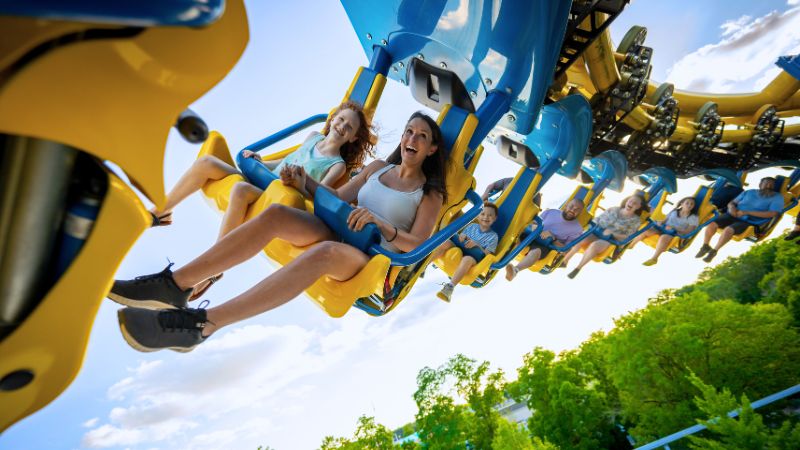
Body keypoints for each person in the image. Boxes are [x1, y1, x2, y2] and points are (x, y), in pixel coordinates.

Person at [107, 112, 447, 352]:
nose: (411, 139)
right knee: (276, 214)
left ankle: (203, 324)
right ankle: (175, 285)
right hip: (338, 230)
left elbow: (417, 244)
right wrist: (306, 182)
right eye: (408, 131)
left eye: (421, 135)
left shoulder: (429, 193)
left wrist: (382, 225)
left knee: (324, 254)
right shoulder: (377, 168)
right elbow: (340, 198)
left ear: (431, 149)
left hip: (368, 258)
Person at [148, 100, 376, 298]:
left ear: (353, 137)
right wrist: (259, 160)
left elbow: (320, 196)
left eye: (349, 127)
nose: (342, 126)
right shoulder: (313, 137)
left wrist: (300, 185)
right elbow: (282, 162)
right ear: (333, 117)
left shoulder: (336, 165)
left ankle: (213, 268)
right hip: (263, 181)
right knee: (205, 163)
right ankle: (162, 211)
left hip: (279, 196)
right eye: (341, 119)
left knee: (239, 191)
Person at [696, 177, 784, 263]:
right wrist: (731, 208)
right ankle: (705, 245)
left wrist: (747, 212)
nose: (769, 186)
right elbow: (732, 202)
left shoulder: (777, 197)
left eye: (771, 185)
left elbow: (773, 213)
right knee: (712, 223)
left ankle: (714, 251)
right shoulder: (749, 192)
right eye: (766, 183)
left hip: (749, 222)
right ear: (760, 184)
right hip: (733, 215)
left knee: (728, 230)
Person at [563, 194, 648, 279]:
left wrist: (613, 233)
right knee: (582, 239)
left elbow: (627, 237)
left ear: (639, 207)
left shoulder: (635, 221)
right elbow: (597, 219)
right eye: (630, 201)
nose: (632, 203)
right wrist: (594, 224)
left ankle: (578, 268)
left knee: (595, 245)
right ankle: (565, 260)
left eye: (635, 203)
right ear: (626, 201)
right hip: (596, 232)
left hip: (609, 240)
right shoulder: (613, 209)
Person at [504, 198, 585, 281]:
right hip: (532, 234)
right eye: (571, 206)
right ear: (566, 205)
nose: (572, 210)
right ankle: (500, 256)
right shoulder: (551, 212)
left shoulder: (577, 230)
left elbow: (566, 250)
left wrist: (553, 238)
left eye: (577, 210)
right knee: (514, 237)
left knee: (536, 252)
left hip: (545, 245)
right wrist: (534, 225)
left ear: (580, 212)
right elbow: (534, 222)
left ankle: (515, 270)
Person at [432, 202, 499, 302]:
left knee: (467, 259)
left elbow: (487, 254)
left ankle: (449, 288)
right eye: (483, 214)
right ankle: (422, 266)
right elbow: (461, 237)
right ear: (479, 216)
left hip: (474, 257)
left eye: (490, 215)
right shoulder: (472, 226)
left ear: (494, 218)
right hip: (460, 248)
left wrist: (477, 245)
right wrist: (462, 236)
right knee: (446, 243)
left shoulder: (493, 236)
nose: (486, 217)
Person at [633, 196, 699, 266]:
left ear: (693, 206)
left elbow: (689, 231)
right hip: (663, 228)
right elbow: (665, 220)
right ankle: (631, 245)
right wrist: (660, 222)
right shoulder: (674, 211)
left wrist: (674, 228)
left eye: (692, 204)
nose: (689, 205)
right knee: (646, 231)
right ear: (682, 204)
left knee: (664, 237)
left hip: (675, 234)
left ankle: (654, 258)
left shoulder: (693, 217)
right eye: (687, 203)